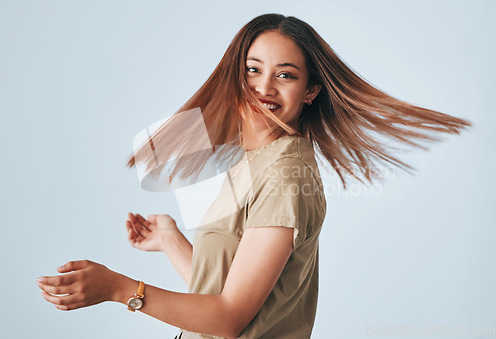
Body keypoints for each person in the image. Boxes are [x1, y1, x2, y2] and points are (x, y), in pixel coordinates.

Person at [36, 13, 471, 338]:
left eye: (285, 75)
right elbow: (233, 293)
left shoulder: (285, 173)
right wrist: (170, 240)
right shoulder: (250, 158)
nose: (264, 87)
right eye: (253, 69)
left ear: (311, 91)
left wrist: (118, 288)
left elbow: (230, 318)